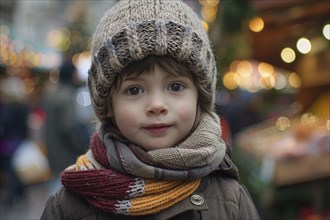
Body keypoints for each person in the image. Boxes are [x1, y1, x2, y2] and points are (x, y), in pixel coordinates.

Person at [41, 0, 260, 219]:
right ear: (109, 105)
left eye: (175, 86)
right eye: (134, 90)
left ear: (199, 97)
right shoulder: (69, 206)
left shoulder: (231, 200)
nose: (156, 105)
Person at [41, 58, 89, 194]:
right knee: (60, 191)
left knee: (55, 184)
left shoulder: (51, 94)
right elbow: (69, 128)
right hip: (65, 154)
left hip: (52, 149)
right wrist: (82, 149)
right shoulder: (66, 97)